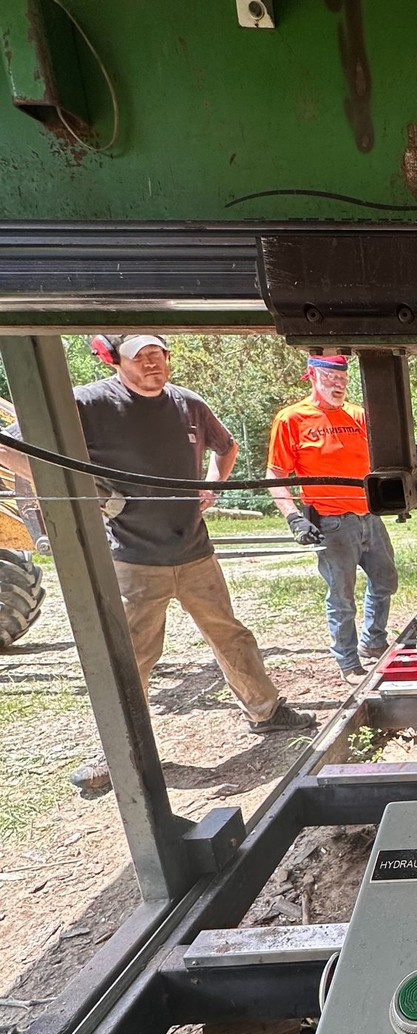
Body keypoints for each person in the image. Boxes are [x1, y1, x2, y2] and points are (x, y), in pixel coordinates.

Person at [1, 333, 316, 796]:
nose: (152, 364)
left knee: (230, 635)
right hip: (133, 559)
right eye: (140, 357)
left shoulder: (188, 404)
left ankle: (266, 711)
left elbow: (224, 448)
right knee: (131, 656)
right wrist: (92, 495)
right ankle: (118, 751)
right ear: (115, 360)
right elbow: (10, 447)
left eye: (158, 354)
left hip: (194, 550)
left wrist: (212, 484)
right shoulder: (88, 403)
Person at [267, 354, 397, 681]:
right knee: (342, 596)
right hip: (332, 522)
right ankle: (348, 662)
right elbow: (275, 473)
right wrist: (294, 518)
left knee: (385, 580)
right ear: (312, 375)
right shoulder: (292, 419)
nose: (338, 385)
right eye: (331, 378)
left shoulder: (358, 416)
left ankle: (373, 641)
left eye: (343, 378)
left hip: (368, 516)